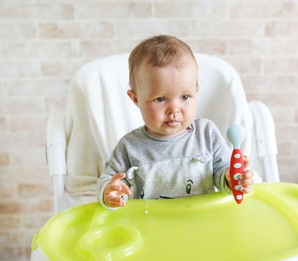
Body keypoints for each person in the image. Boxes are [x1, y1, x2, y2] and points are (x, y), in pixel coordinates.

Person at [96, 35, 255, 210]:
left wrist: (232, 178)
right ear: (135, 99)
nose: (174, 109)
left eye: (185, 97)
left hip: (201, 222)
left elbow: (222, 173)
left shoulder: (207, 135)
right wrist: (110, 193)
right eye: (160, 99)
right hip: (152, 226)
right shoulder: (130, 147)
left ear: (196, 91)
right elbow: (108, 179)